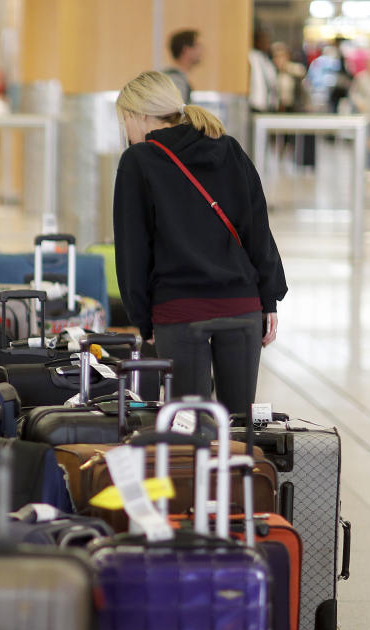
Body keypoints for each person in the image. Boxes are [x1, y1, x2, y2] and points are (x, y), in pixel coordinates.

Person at [112, 71, 287, 415]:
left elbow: (133, 250)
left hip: (180, 312)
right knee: (239, 427)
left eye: (125, 121)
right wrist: (268, 300)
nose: (126, 131)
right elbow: (258, 231)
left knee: (188, 429)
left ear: (140, 116)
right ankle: (238, 470)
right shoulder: (229, 149)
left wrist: (142, 318)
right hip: (242, 308)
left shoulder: (138, 161)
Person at [164, 29, 201, 104]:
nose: (200, 50)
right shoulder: (176, 81)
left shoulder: (171, 77)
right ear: (186, 49)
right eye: (197, 45)